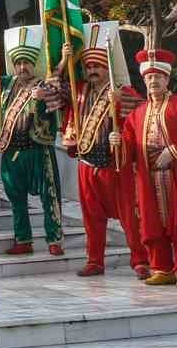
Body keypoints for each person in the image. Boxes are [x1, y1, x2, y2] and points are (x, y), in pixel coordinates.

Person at [55, 34, 146, 278]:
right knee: (92, 218)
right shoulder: (78, 90)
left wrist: (123, 135)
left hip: (115, 165)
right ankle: (94, 261)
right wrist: (64, 61)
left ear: (107, 68)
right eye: (89, 67)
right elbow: (50, 88)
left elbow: (140, 120)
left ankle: (140, 261)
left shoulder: (122, 91)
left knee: (129, 215)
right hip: (86, 164)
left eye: (98, 66)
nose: (92, 71)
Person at [121, 46, 177, 288]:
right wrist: (118, 142)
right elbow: (128, 142)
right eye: (149, 77)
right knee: (152, 222)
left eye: (157, 77)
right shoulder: (137, 113)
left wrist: (174, 151)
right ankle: (162, 268)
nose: (153, 81)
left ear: (167, 79)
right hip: (149, 178)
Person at [0, 38, 64, 256]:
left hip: (37, 149)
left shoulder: (44, 85)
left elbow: (57, 102)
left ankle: (54, 239)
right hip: (11, 150)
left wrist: (42, 98)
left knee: (49, 195)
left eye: (27, 62)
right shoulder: (6, 83)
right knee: (16, 197)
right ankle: (23, 239)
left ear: (34, 64)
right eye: (18, 62)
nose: (22, 67)